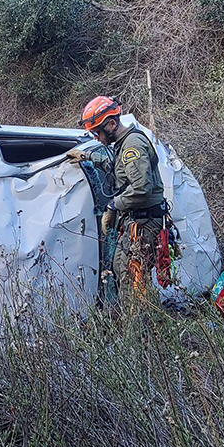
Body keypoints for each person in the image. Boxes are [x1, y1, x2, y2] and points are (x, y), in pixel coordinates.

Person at [67, 96, 168, 309]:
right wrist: (87, 157)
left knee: (133, 277)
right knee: (125, 269)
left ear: (111, 124)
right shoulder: (122, 144)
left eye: (98, 133)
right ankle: (140, 322)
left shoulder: (133, 145)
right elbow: (118, 170)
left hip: (145, 222)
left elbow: (141, 188)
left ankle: (143, 330)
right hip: (135, 221)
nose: (96, 138)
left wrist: (113, 206)